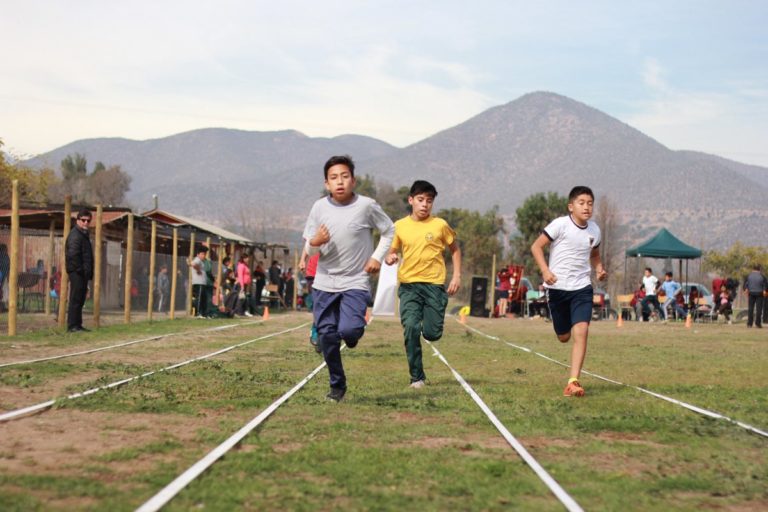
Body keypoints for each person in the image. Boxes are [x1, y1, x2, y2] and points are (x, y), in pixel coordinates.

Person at [302, 154, 394, 402]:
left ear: (353, 180)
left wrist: (376, 257)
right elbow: (310, 246)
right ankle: (337, 385)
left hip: (355, 281)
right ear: (326, 183)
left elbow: (389, 231)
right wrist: (315, 243)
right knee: (326, 336)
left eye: (344, 176)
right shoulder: (319, 208)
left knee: (350, 331)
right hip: (324, 282)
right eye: (334, 178)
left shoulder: (366, 206)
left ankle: (352, 334)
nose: (339, 182)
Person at [385, 180, 461, 389]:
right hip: (409, 286)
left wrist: (456, 277)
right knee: (410, 327)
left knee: (431, 333)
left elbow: (455, 249)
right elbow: (391, 251)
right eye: (420, 200)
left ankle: (433, 316)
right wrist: (390, 257)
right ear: (411, 200)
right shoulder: (399, 226)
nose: (424, 205)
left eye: (429, 201)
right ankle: (416, 377)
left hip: (434, 286)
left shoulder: (440, 225)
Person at [531, 186, 606, 397]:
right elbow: (536, 247)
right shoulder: (560, 225)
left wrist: (599, 269)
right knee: (564, 336)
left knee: (581, 332)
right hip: (557, 289)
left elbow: (595, 255)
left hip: (582, 288)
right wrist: (545, 271)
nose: (587, 207)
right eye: (581, 203)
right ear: (571, 206)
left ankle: (573, 381)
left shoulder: (595, 230)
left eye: (590, 203)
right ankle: (560, 328)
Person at [65, 208, 94, 332]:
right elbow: (73, 256)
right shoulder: (75, 235)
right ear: (78, 220)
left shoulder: (83, 234)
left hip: (82, 273)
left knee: (80, 299)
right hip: (77, 272)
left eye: (88, 220)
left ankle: (78, 324)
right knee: (76, 298)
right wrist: (81, 270)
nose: (86, 223)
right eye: (83, 220)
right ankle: (72, 326)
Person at [299, 249, 321, 351]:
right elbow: (308, 241)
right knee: (317, 304)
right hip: (313, 272)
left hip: (332, 271)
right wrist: (303, 259)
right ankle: (316, 330)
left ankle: (326, 335)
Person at [189, 246, 212, 318]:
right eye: (202, 254)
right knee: (199, 298)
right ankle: (198, 313)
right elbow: (193, 264)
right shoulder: (197, 259)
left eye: (204, 254)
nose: (203, 256)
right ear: (198, 254)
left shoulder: (201, 261)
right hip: (199, 282)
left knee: (202, 298)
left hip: (202, 282)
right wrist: (198, 270)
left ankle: (202, 313)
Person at [743, 263, 767, 328]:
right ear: (759, 269)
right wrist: (765, 291)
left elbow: (745, 284)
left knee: (750, 308)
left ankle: (749, 324)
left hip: (751, 293)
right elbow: (765, 285)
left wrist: (745, 289)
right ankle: (758, 324)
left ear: (753, 269)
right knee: (759, 309)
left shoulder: (748, 276)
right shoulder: (762, 276)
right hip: (760, 293)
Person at [0, 243, 9, 313]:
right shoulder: (6, 257)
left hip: (2, 275)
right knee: (3, 292)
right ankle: (2, 307)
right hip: (3, 275)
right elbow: (8, 268)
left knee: (2, 291)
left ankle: (2, 307)